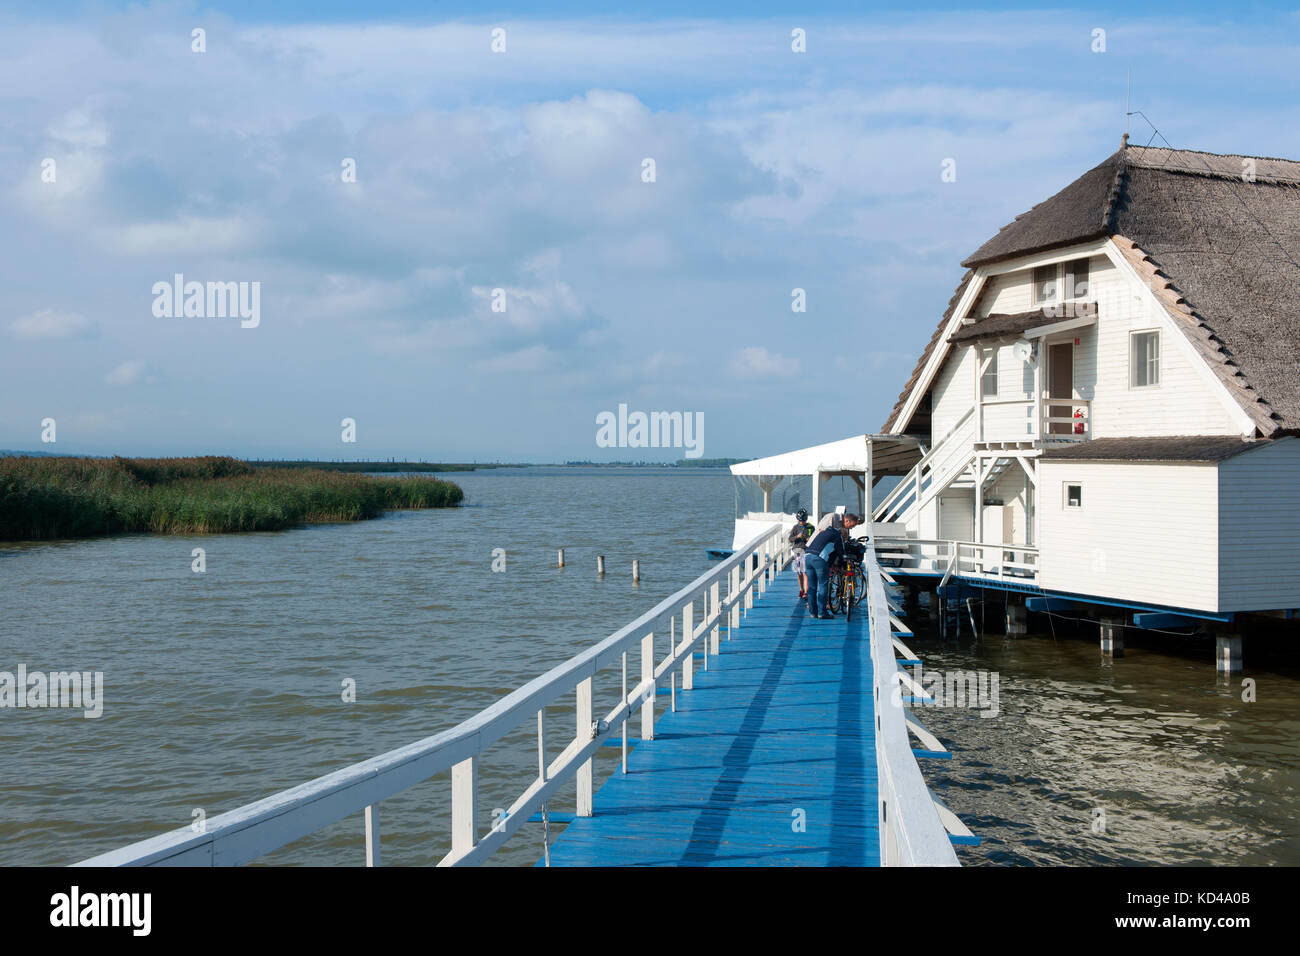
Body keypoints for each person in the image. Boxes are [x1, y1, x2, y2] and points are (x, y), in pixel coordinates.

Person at [804, 524, 846, 619]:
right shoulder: (837, 536)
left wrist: (831, 564)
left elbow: (829, 551)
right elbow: (840, 553)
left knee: (812, 587)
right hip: (818, 558)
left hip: (807, 556)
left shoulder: (824, 533)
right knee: (823, 585)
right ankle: (822, 612)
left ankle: (813, 612)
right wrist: (842, 565)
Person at [788, 509, 814, 599]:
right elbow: (790, 539)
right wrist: (797, 537)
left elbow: (815, 538)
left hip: (807, 551)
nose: (801, 522)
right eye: (800, 520)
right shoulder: (795, 528)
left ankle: (806, 592)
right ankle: (801, 589)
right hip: (798, 550)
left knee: (805, 572)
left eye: (803, 520)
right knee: (799, 572)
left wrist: (809, 539)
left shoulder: (811, 527)